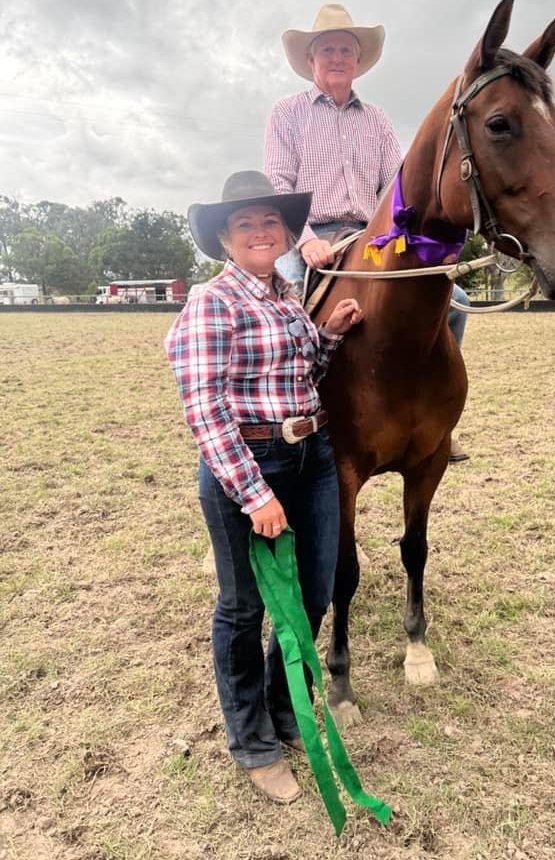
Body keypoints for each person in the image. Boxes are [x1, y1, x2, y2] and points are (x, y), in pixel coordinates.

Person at [165, 171, 363, 804]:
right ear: (225, 237)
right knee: (244, 607)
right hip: (249, 462)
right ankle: (251, 740)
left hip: (313, 455)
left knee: (313, 591)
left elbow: (304, 373)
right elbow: (205, 408)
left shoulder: (286, 297)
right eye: (245, 222)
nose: (260, 231)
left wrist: (329, 335)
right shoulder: (213, 301)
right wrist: (254, 495)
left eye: (270, 221)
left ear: (285, 233)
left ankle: (285, 708)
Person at [264, 3, 470, 461]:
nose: (337, 58)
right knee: (285, 312)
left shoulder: (377, 120)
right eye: (328, 50)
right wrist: (307, 240)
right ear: (311, 60)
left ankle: (438, 416)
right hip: (308, 235)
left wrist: (404, 236)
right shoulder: (287, 114)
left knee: (454, 301)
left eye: (346, 50)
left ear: (357, 61)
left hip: (369, 236)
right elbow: (279, 185)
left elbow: (395, 187)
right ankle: (298, 418)